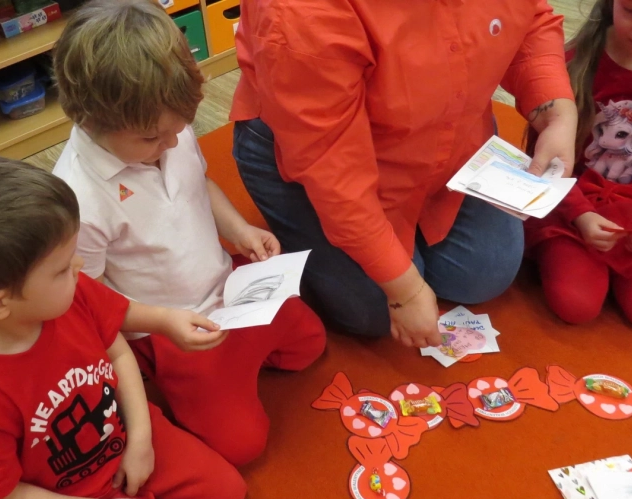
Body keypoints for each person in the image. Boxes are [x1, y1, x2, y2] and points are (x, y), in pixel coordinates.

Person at [0, 154, 247, 499]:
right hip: (75, 498)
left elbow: (118, 351)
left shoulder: (66, 295)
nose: (79, 266)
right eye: (61, 268)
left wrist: (142, 437)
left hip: (131, 432)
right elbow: (3, 497)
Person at [51, 0, 326, 468]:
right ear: (89, 120)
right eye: (153, 138)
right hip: (170, 328)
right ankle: (165, 373)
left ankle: (233, 368)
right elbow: (87, 298)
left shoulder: (165, 130)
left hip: (229, 288)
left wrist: (238, 229)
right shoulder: (76, 198)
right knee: (240, 447)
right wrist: (161, 324)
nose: (173, 142)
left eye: (182, 127)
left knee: (310, 344)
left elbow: (198, 183)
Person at [230, 0, 580, 347]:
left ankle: (402, 241)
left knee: (483, 275)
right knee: (374, 312)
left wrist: (555, 110)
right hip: (315, 149)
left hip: (448, 131)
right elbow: (334, 173)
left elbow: (529, 18)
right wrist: (405, 290)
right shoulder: (300, 11)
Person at [525, 0, 632, 328]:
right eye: (631, 9)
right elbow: (544, 159)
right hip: (572, 204)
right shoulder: (571, 61)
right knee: (576, 305)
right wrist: (581, 215)